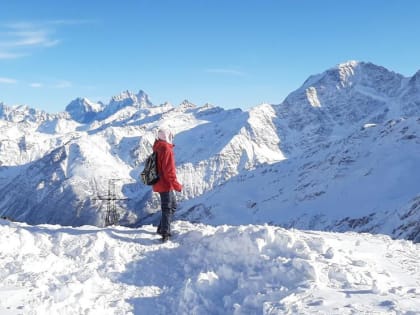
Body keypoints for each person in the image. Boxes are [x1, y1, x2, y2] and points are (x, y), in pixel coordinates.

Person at [152, 127, 183, 242]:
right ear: (167, 136)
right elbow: (169, 171)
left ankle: (162, 228)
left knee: (172, 205)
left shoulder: (158, 145)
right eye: (171, 136)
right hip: (165, 183)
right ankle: (165, 233)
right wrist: (177, 185)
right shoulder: (166, 149)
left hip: (160, 181)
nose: (172, 138)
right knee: (168, 207)